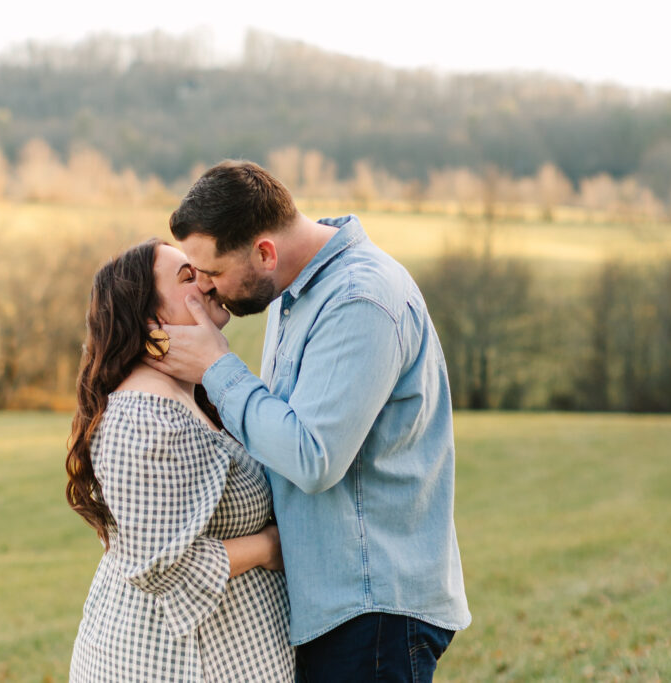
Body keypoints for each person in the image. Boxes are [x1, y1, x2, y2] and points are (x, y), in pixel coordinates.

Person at [149, 160, 472, 682]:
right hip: (337, 606)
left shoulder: (357, 299)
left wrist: (216, 368)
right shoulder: (292, 293)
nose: (206, 287)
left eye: (211, 272)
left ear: (264, 251)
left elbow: (312, 455)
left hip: (371, 608)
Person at [65, 238, 294, 682]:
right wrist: (270, 547)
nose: (208, 282)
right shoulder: (146, 417)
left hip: (219, 652)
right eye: (188, 277)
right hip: (173, 663)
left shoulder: (190, 397)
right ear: (152, 320)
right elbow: (158, 565)